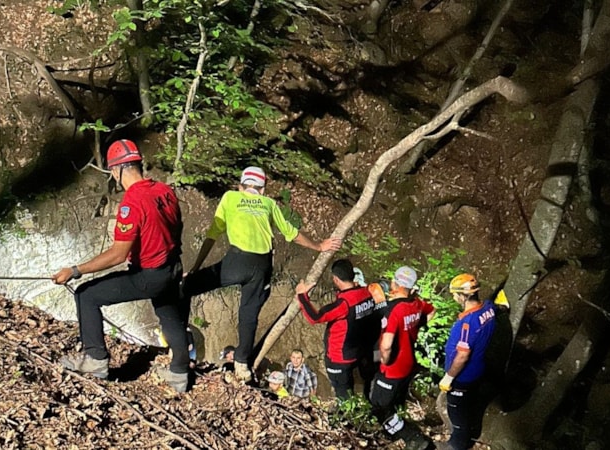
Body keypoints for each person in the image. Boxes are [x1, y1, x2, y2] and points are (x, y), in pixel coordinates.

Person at [52, 139, 190, 393]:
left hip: (148, 274)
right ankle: (179, 374)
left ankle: (95, 359)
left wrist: (75, 271)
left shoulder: (131, 203)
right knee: (169, 316)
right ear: (138, 164)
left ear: (116, 171)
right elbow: (177, 227)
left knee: (87, 295)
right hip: (172, 267)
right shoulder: (164, 191)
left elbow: (117, 254)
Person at [183, 166, 341, 382]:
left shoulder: (230, 197)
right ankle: (242, 365)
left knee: (188, 287)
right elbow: (291, 234)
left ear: (241, 186)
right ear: (263, 190)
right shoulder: (269, 203)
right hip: (261, 264)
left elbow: (213, 234)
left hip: (236, 260)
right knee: (248, 315)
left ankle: (180, 342)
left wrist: (194, 268)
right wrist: (319, 246)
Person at [369, 266, 435, 450]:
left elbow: (387, 344)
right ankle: (391, 430)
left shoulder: (393, 311)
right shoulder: (416, 304)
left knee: (379, 408)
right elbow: (432, 311)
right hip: (408, 364)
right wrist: (414, 328)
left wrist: (384, 360)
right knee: (396, 399)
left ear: (394, 284)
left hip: (393, 368)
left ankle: (412, 437)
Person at [295, 259, 375, 400]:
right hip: (358, 353)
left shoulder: (343, 304)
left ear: (336, 279)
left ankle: (345, 417)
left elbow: (315, 317)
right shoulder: (367, 294)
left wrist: (302, 296)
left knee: (342, 392)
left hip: (339, 358)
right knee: (354, 386)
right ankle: (360, 407)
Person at [439, 274, 496, 450]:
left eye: (455, 295)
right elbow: (495, 306)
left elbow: (462, 355)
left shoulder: (467, 323)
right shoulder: (488, 309)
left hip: (463, 377)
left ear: (463, 296)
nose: (454, 298)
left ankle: (457, 445)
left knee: (457, 414)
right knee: (469, 406)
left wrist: (449, 377)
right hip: (479, 370)